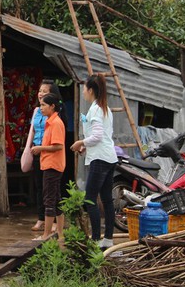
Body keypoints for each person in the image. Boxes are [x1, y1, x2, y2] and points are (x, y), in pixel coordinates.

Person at [70, 74, 118, 249]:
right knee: (106, 199)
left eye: (84, 88)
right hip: (108, 157)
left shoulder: (96, 109)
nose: (83, 92)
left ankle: (97, 239)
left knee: (90, 198)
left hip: (100, 159)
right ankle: (108, 239)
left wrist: (80, 143)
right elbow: (101, 135)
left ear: (90, 90)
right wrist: (86, 146)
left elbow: (97, 136)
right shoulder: (104, 108)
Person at [23, 79, 63, 232]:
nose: (40, 94)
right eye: (40, 91)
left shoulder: (56, 118)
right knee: (41, 187)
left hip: (49, 154)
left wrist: (42, 147)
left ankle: (51, 228)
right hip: (38, 152)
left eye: (45, 91)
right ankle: (42, 219)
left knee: (51, 191)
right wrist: (30, 147)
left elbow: (58, 143)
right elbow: (32, 130)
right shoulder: (37, 111)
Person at [31, 93, 66, 241]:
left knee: (49, 200)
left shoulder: (56, 123)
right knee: (56, 199)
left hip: (52, 165)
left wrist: (40, 148)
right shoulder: (50, 122)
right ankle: (60, 234)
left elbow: (58, 146)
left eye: (44, 105)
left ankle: (46, 235)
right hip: (49, 164)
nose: (41, 108)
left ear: (52, 106)